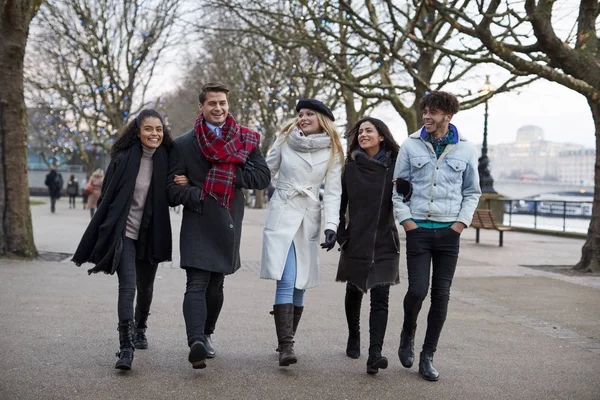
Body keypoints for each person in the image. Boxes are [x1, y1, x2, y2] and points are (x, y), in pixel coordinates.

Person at [167, 82, 270, 370]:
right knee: (196, 282)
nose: (218, 108)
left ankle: (208, 333)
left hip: (227, 219)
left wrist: (228, 171)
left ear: (228, 105)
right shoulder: (183, 144)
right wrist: (199, 194)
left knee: (216, 284)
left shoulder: (246, 139)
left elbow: (262, 177)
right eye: (212, 103)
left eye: (222, 103)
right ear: (201, 106)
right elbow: (171, 191)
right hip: (199, 218)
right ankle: (196, 341)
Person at [72, 109, 175, 371]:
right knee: (128, 287)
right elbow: (107, 196)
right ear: (138, 132)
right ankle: (126, 346)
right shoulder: (123, 158)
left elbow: (172, 196)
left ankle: (141, 327)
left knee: (146, 288)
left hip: (151, 233)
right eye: (149, 129)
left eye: (159, 129)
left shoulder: (168, 158)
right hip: (125, 233)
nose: (155, 134)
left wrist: (182, 183)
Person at [392, 91, 481, 381]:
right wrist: (406, 221)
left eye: (433, 112)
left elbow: (472, 192)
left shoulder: (466, 149)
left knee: (441, 296)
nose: (427, 117)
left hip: (448, 233)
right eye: (425, 111)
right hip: (418, 229)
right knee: (417, 290)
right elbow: (398, 188)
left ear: (448, 116)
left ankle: (427, 355)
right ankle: (408, 333)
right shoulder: (410, 144)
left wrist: (460, 224)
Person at [260, 98, 344, 367]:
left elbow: (333, 192)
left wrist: (332, 226)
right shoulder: (285, 139)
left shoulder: (333, 150)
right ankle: (286, 346)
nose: (303, 117)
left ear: (323, 119)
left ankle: (286, 340)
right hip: (283, 211)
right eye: (300, 113)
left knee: (301, 283)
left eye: (309, 114)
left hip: (309, 217)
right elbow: (265, 171)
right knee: (286, 278)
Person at [336, 117, 406, 374]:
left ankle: (375, 353)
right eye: (360, 131)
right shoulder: (351, 167)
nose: (363, 134)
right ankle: (354, 335)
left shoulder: (396, 167)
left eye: (369, 130)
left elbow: (406, 195)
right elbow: (341, 200)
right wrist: (341, 230)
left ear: (382, 137)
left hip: (385, 238)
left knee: (381, 296)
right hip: (357, 237)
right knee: (354, 290)